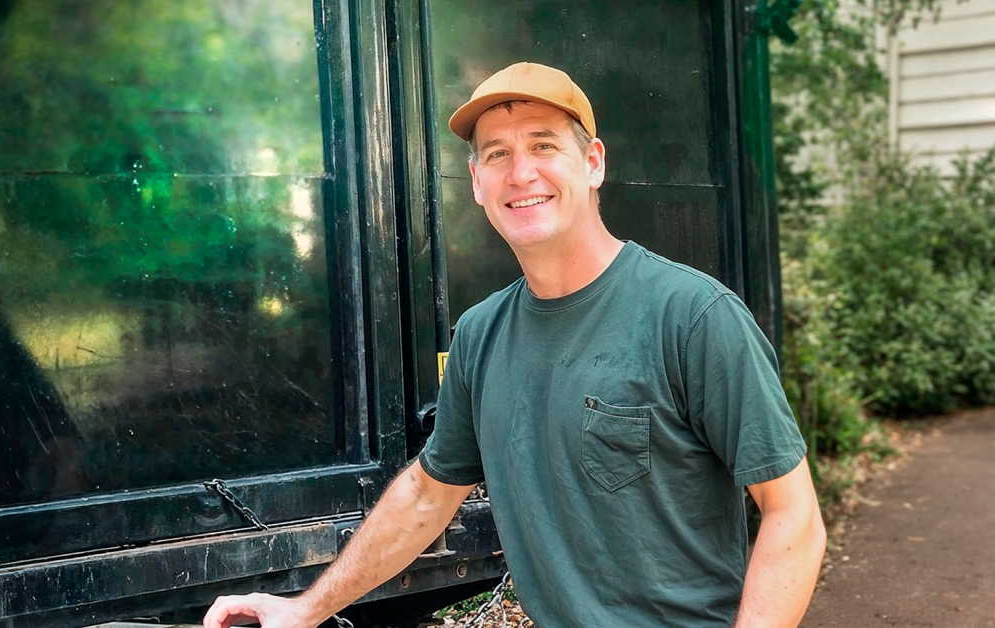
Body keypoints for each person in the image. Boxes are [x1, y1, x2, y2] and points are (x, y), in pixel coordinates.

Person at [203, 61, 826, 628]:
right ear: (475, 181)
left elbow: (792, 514)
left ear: (593, 162)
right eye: (497, 153)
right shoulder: (480, 334)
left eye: (544, 145)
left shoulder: (693, 317)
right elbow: (427, 494)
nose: (521, 171)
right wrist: (304, 610)